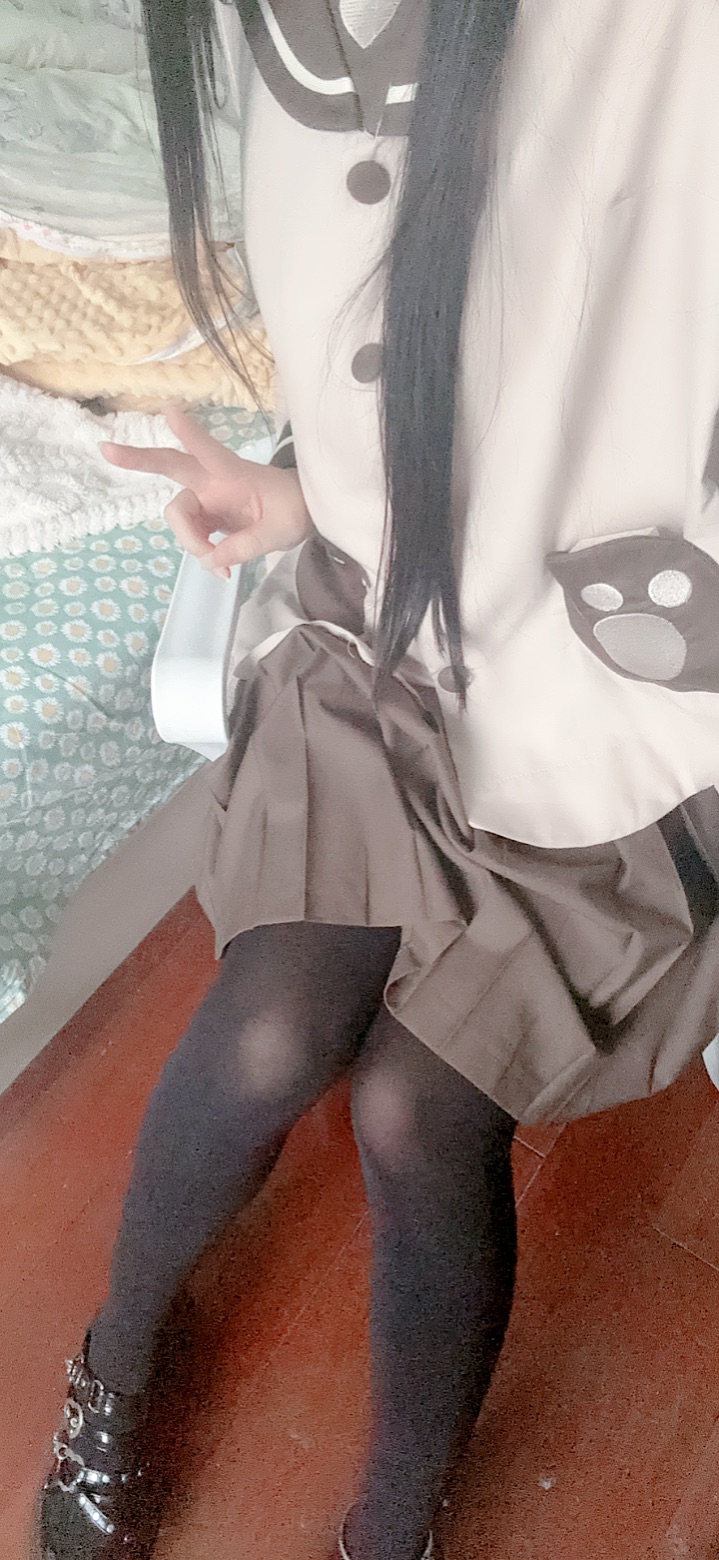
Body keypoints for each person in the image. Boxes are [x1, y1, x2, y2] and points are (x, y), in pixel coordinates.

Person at [34, 0, 719, 1557]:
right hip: (394, 634)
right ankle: (115, 1364)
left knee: (421, 1105)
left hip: (640, 713)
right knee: (273, 1026)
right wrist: (308, 493)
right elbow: (432, 338)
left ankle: (392, 1528)